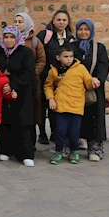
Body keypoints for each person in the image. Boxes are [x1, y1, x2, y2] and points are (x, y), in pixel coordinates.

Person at [0, 26, 37, 167]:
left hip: (22, 92)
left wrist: (14, 85)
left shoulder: (26, 52)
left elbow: (29, 73)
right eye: (6, 37)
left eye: (12, 37)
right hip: (3, 92)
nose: (9, 40)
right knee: (6, 120)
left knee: (23, 121)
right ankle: (5, 150)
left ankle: (25, 153)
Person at [44, 45, 93, 165]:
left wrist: (94, 82)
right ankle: (58, 151)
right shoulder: (53, 70)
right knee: (60, 130)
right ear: (58, 57)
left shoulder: (80, 68)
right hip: (60, 105)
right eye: (65, 57)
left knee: (75, 131)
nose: (69, 59)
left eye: (71, 56)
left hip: (76, 105)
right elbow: (48, 85)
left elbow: (88, 82)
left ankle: (74, 150)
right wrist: (51, 98)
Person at [37, 9, 76, 145]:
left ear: (68, 22)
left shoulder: (70, 38)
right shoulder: (44, 35)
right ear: (53, 20)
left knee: (56, 105)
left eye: (64, 20)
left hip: (61, 78)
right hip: (44, 76)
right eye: (58, 19)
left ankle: (55, 132)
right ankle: (42, 133)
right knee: (42, 105)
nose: (61, 22)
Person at [74, 19, 109, 161]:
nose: (83, 32)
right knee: (74, 117)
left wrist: (97, 79)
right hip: (74, 89)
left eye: (86, 29)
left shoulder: (98, 48)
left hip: (93, 89)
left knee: (94, 118)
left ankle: (95, 148)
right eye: (80, 29)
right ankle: (72, 145)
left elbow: (104, 66)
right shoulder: (71, 46)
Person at [15, 13, 46, 141]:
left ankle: (30, 143)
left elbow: (41, 61)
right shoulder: (10, 38)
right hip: (15, 82)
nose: (17, 24)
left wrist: (31, 74)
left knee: (31, 113)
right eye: (15, 21)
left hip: (31, 83)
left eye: (20, 22)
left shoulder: (34, 41)